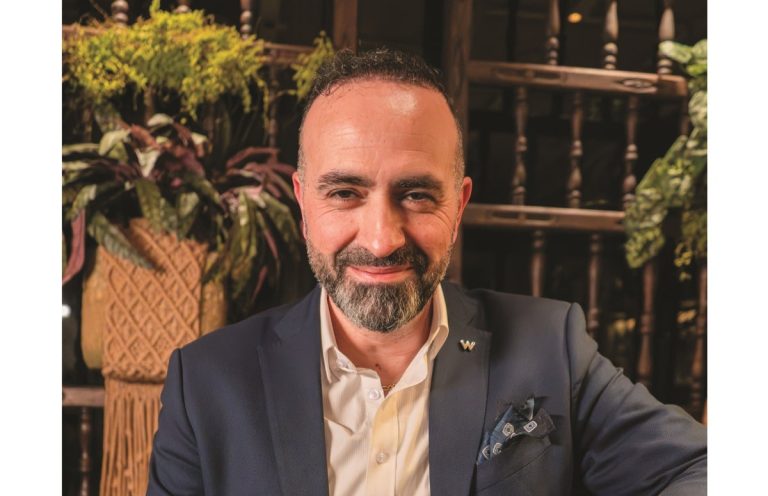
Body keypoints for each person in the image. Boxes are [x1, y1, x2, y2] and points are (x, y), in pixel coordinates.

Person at [147, 49, 706, 496]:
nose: (381, 239)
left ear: (458, 206)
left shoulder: (552, 346)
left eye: (416, 195)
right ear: (303, 201)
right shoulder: (206, 383)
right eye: (345, 193)